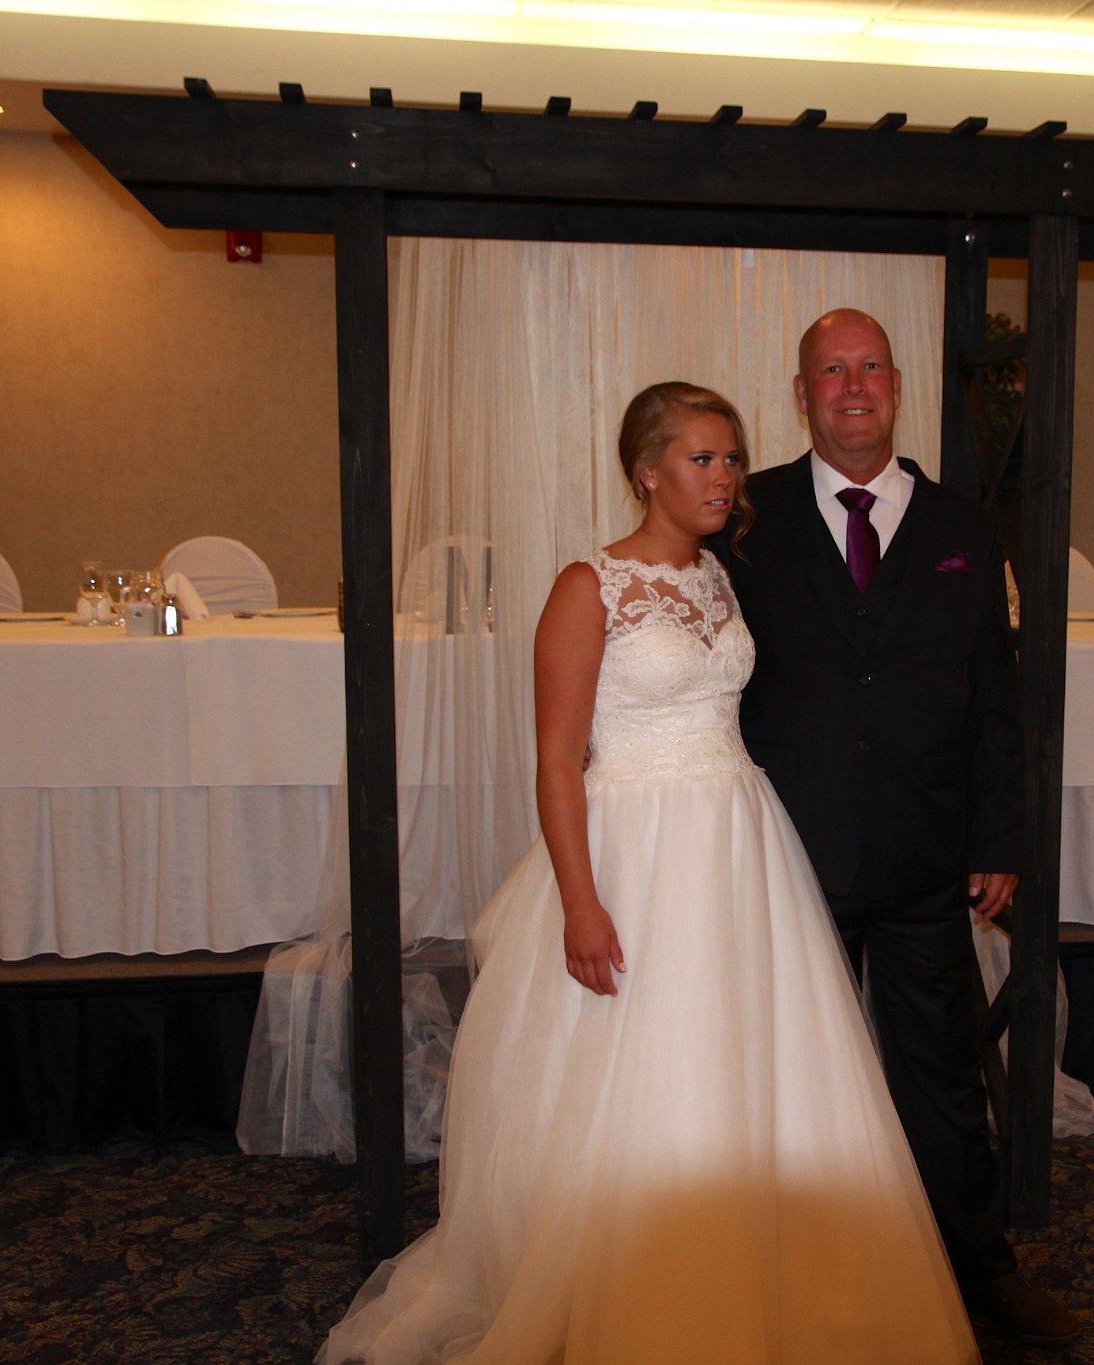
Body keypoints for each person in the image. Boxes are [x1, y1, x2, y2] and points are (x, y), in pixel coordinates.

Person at [317, 382, 978, 1365]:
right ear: (646, 471)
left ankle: (761, 1279)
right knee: (648, 1073)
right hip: (635, 850)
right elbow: (556, 761)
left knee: (750, 1062)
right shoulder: (588, 586)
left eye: (731, 459)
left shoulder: (721, 577)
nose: (723, 478)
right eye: (700, 459)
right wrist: (581, 902)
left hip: (740, 846)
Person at [710, 309, 1082, 1346]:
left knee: (942, 1079)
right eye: (831, 371)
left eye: (869, 365)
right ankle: (800, 1277)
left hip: (928, 853)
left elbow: (994, 697)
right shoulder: (746, 516)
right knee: (791, 1078)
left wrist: (999, 837)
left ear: (896, 384)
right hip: (789, 857)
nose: (853, 386)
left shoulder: (964, 525)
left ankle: (979, 1274)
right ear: (801, 396)